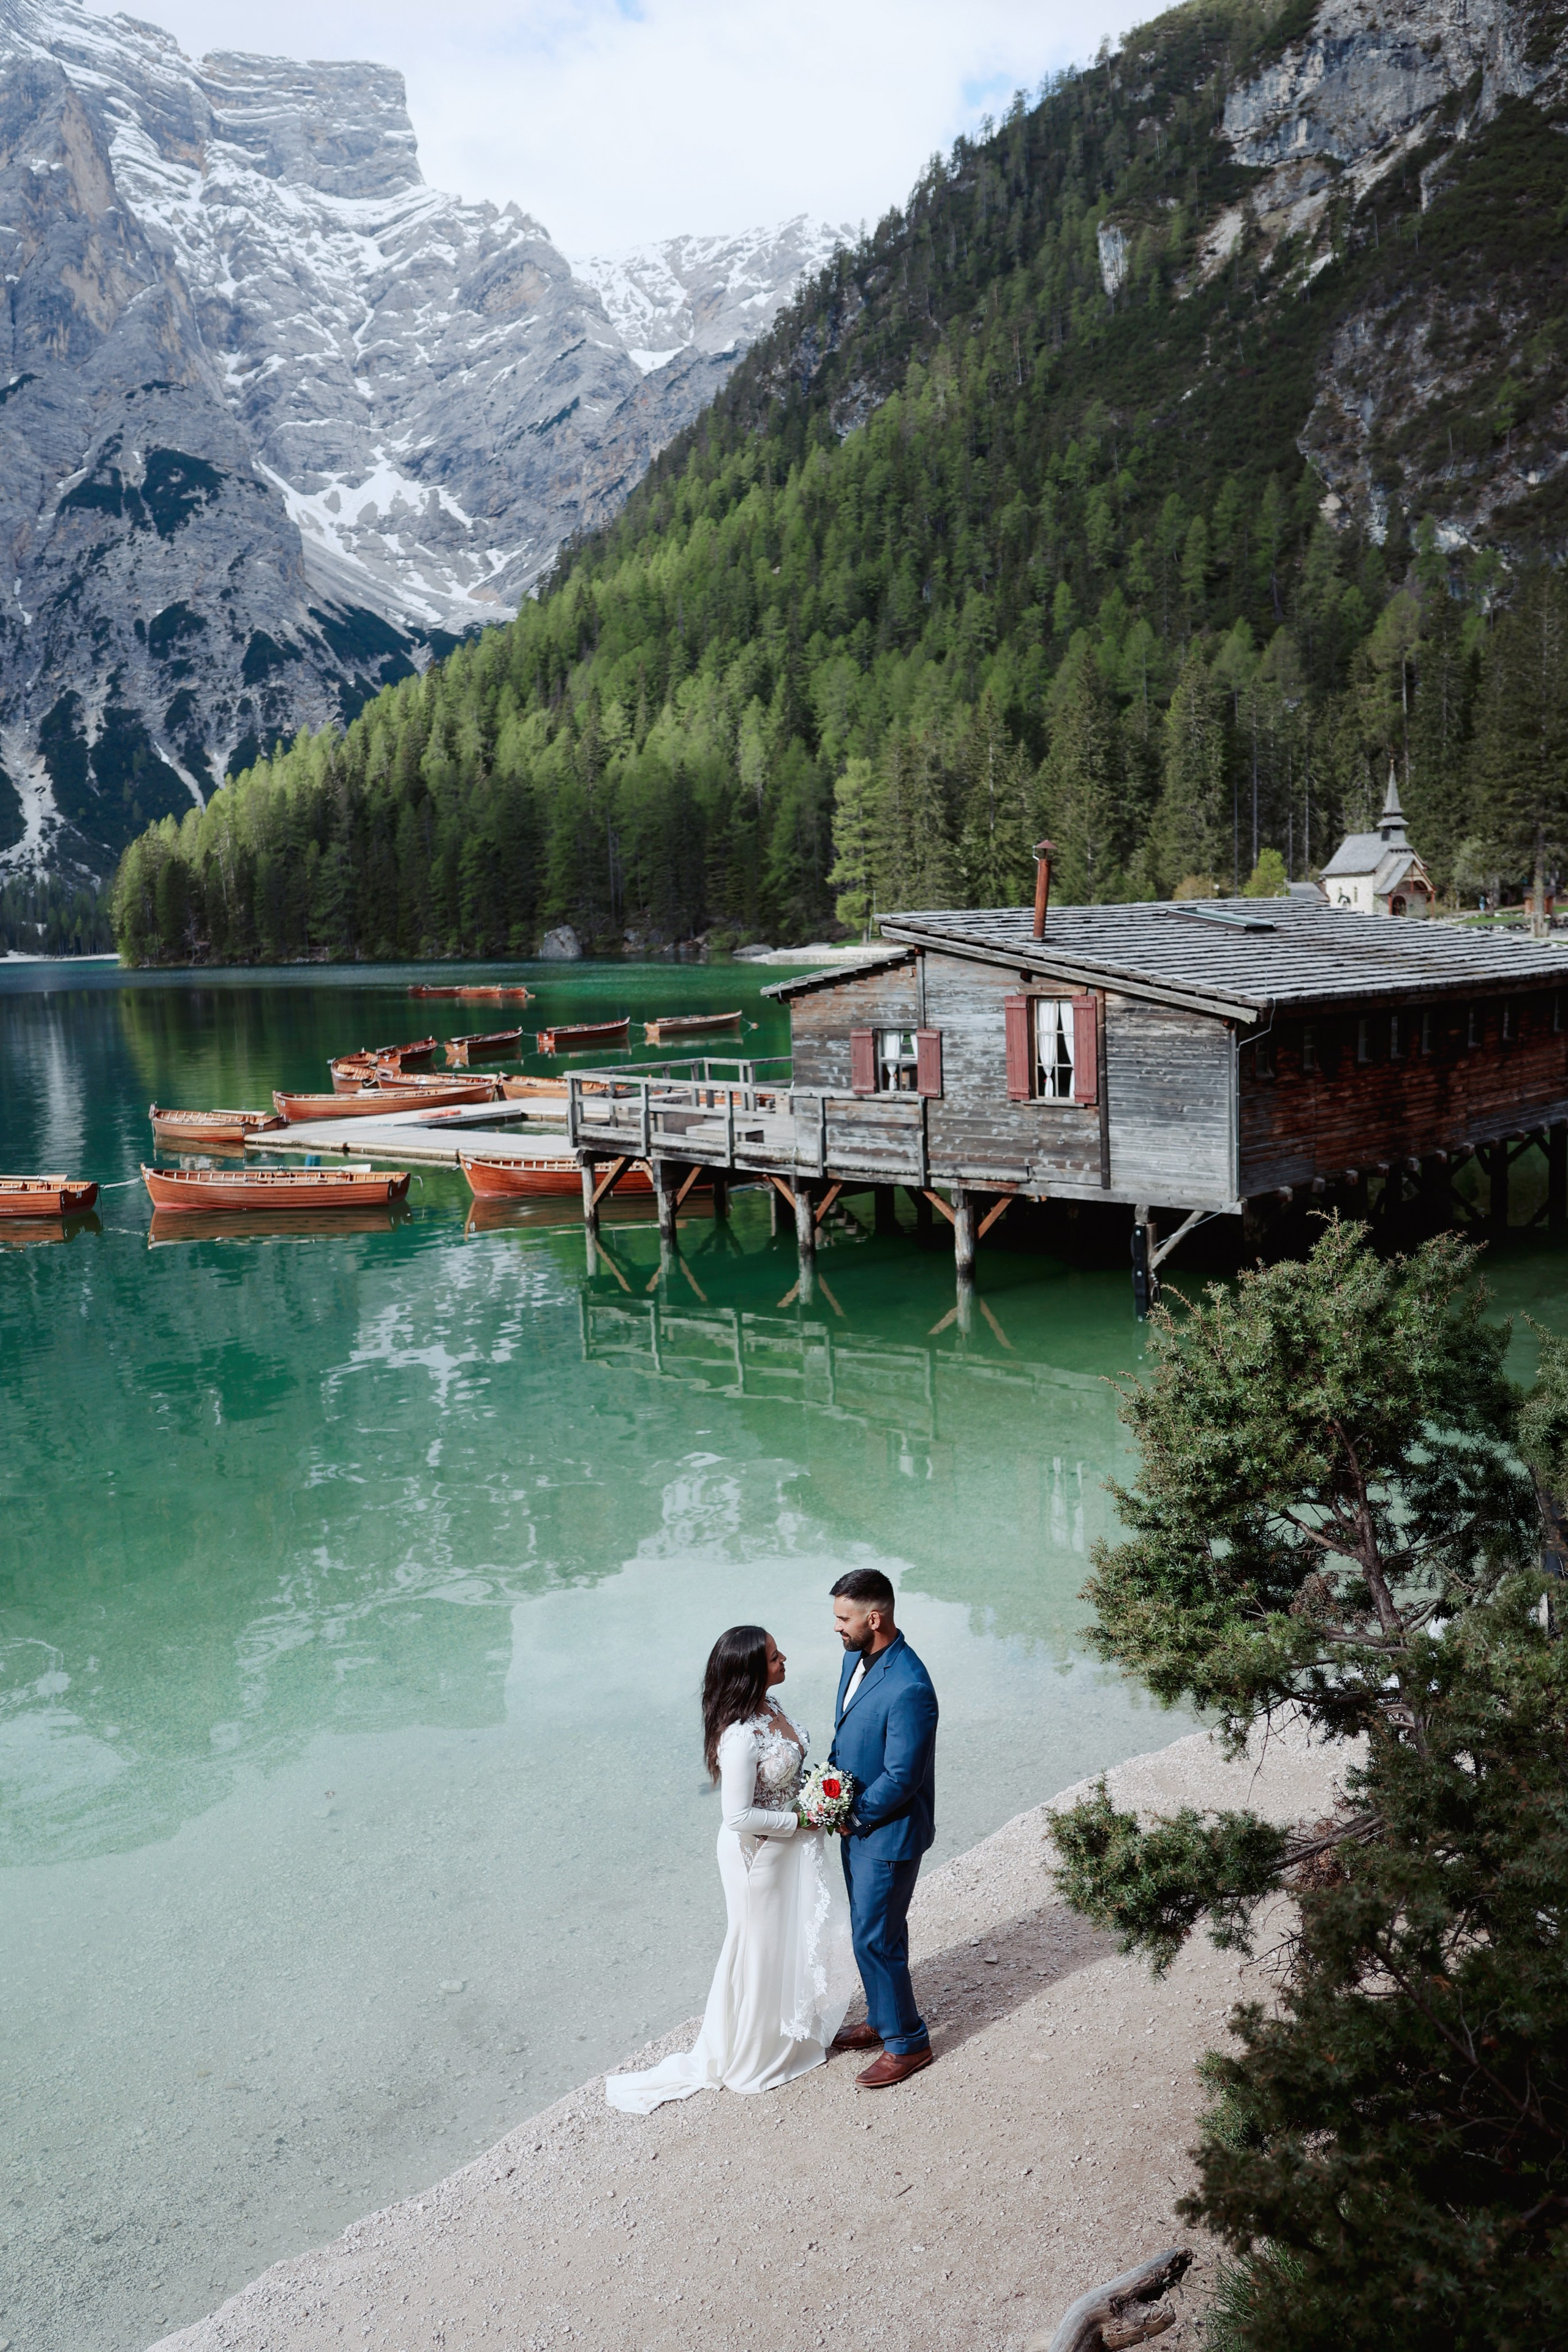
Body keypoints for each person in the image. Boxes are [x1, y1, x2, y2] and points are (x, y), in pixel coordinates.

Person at [604, 1624, 853, 2114]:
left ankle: (791, 2036)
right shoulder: (739, 1736)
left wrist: (821, 1795)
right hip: (755, 1854)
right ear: (749, 1673)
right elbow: (736, 1816)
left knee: (788, 1938)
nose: (785, 1661)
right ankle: (755, 2053)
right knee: (757, 1944)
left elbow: (787, 1775)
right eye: (775, 1657)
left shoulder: (773, 1709)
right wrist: (803, 1818)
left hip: (787, 1846)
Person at [826, 1567, 939, 2088]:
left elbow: (904, 1777)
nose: (836, 1628)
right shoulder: (855, 1657)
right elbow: (850, 1732)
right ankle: (880, 2017)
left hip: (886, 1833)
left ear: (876, 1617)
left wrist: (853, 1815)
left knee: (876, 1938)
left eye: (844, 1618)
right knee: (871, 1932)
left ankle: (908, 2043)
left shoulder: (911, 1685)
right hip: (858, 1829)